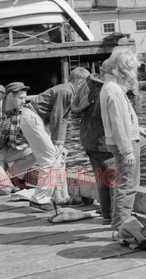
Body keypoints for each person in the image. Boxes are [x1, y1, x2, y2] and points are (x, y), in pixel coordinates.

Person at [71, 72, 146, 224]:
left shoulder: (90, 85)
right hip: (109, 141)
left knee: (103, 178)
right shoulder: (110, 89)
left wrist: (136, 127)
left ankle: (108, 214)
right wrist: (130, 139)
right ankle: (120, 219)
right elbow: (116, 119)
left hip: (90, 139)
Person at [15, 67, 90, 210]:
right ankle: (39, 199)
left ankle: (61, 197)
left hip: (38, 120)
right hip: (33, 117)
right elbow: (56, 117)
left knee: (59, 157)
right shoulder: (65, 91)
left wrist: (60, 143)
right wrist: (56, 141)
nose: (88, 90)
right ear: (80, 83)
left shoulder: (70, 93)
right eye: (87, 85)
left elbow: (63, 120)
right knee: (49, 159)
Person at [99, 47, 145, 236]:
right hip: (124, 143)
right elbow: (118, 124)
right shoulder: (114, 91)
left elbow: (122, 119)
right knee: (128, 184)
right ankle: (120, 227)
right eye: (132, 69)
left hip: (126, 138)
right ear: (121, 70)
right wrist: (127, 151)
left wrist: (137, 129)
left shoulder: (111, 87)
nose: (134, 74)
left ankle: (121, 224)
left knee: (127, 183)